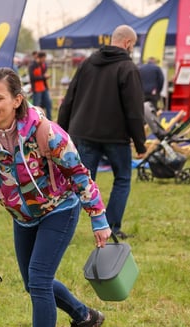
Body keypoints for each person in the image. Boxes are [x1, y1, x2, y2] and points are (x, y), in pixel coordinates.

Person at [0, 67, 112, 327]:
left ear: (17, 100)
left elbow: (79, 173)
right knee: (33, 283)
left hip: (59, 209)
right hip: (22, 216)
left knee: (40, 281)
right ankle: (85, 316)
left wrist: (98, 218)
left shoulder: (46, 132)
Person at [58, 25, 146, 239]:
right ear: (127, 43)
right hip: (115, 136)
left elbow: (68, 99)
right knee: (123, 178)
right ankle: (113, 227)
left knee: (81, 182)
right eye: (132, 45)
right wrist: (140, 143)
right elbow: (134, 110)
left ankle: (62, 229)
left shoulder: (88, 63)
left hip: (83, 132)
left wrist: (61, 132)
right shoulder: (128, 68)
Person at [28, 51, 52, 120]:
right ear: (39, 58)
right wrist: (44, 77)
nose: (44, 60)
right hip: (37, 89)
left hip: (44, 88)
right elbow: (32, 78)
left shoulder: (43, 65)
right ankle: (35, 120)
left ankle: (49, 120)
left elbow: (43, 74)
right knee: (36, 107)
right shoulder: (32, 66)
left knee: (48, 104)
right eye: (44, 58)